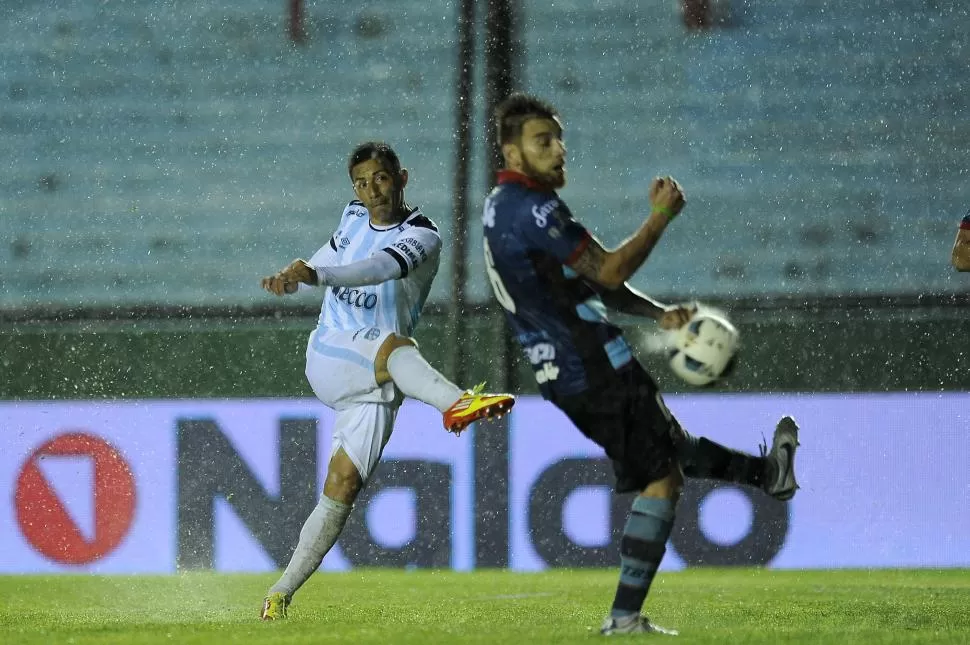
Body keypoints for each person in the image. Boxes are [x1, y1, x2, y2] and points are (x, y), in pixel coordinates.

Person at [481, 93, 800, 636]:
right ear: (513, 153)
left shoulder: (506, 206)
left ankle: (769, 475)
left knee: (670, 449)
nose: (558, 150)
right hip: (587, 367)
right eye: (543, 141)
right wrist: (659, 218)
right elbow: (606, 271)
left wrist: (656, 314)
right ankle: (624, 617)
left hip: (580, 364)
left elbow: (587, 279)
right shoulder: (533, 210)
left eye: (559, 139)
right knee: (661, 480)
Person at [258, 141, 514, 620]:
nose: (371, 189)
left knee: (344, 483)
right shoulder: (352, 216)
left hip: (380, 374)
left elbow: (379, 268)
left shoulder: (423, 235)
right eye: (360, 182)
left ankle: (279, 593)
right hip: (333, 351)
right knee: (397, 347)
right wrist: (298, 272)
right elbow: (331, 255)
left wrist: (316, 274)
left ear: (402, 178)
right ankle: (456, 403)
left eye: (379, 178)